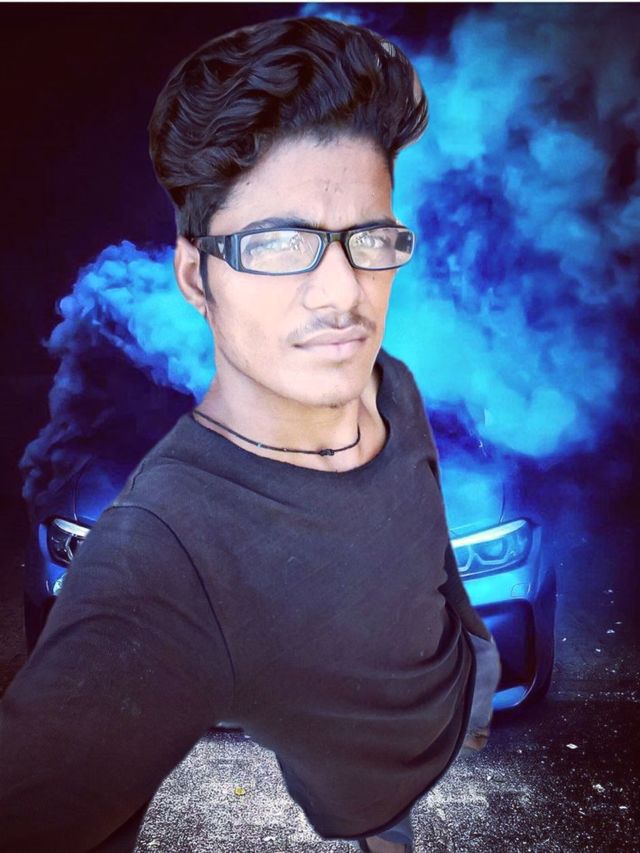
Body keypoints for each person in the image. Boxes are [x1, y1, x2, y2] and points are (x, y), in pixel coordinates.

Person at [0, 15, 501, 853]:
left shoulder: (391, 382)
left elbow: (421, 530)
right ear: (197, 276)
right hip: (368, 800)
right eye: (278, 244)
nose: (343, 293)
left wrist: (473, 649)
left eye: (369, 238)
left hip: (460, 691)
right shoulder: (166, 557)